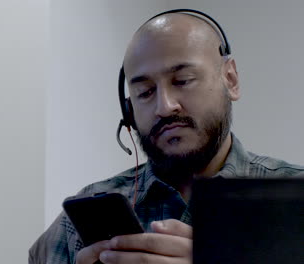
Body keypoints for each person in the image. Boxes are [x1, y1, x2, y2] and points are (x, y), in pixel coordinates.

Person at [29, 10, 304, 264]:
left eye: (182, 81)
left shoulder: (296, 199)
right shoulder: (76, 225)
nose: (164, 106)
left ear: (230, 79)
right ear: (129, 110)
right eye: (145, 92)